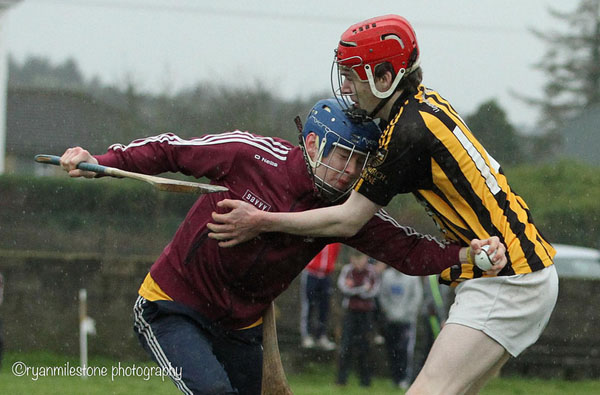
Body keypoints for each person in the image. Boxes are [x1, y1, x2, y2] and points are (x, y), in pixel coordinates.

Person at [207, 15, 557, 395]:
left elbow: (347, 220)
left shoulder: (406, 133)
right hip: (510, 270)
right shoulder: (422, 108)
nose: (345, 87)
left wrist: (262, 220)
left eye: (353, 76)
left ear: (386, 78)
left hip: (509, 279)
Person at [59, 98, 503, 395]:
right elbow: (170, 151)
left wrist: (464, 254)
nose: (349, 172)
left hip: (242, 328)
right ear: (311, 143)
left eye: (359, 162)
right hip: (172, 308)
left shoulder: (344, 212)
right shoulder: (248, 155)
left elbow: (405, 251)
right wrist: (101, 161)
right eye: (341, 155)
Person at [336, 250, 380, 387]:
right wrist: (361, 290)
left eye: (360, 259)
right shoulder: (347, 270)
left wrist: (356, 290)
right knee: (345, 345)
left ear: (366, 258)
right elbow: (344, 288)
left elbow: (373, 291)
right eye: (355, 259)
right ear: (351, 259)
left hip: (366, 313)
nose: (358, 262)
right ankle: (341, 380)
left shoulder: (372, 271)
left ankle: (365, 381)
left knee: (365, 346)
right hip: (350, 312)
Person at [377, 266, 423, 389]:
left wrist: (406, 313)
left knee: (405, 350)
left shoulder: (413, 276)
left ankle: (405, 378)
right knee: (392, 350)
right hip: (391, 320)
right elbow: (383, 296)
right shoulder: (387, 276)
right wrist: (390, 312)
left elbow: (416, 297)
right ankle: (395, 378)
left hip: (407, 321)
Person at [299, 243, 340, 350]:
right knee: (308, 305)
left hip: (326, 275)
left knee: (324, 307)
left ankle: (321, 335)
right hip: (311, 273)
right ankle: (306, 335)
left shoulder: (335, 240)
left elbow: (335, 253)